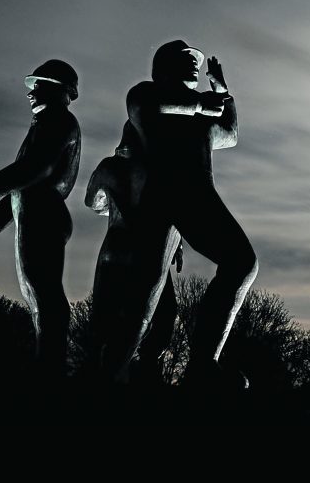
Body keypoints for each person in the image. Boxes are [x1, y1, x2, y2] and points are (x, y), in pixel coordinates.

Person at [124, 40, 258, 389]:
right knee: (148, 297)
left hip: (198, 197)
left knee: (241, 263)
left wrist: (222, 91)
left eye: (195, 61)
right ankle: (130, 364)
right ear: (163, 67)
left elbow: (229, 134)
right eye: (185, 59)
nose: (194, 64)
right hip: (167, 196)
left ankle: (202, 362)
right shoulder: (149, 97)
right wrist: (201, 102)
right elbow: (143, 105)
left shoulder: (200, 119)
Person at [0, 59, 81, 378]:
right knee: (37, 295)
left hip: (44, 215)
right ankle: (46, 361)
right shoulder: (46, 123)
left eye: (40, 85)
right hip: (33, 213)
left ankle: (50, 367)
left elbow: (38, 168)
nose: (31, 92)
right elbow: (26, 180)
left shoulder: (59, 122)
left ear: (62, 91)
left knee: (44, 294)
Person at [85, 121, 182, 384]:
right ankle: (132, 370)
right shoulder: (163, 170)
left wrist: (114, 206)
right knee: (159, 315)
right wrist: (178, 242)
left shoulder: (109, 166)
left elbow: (92, 202)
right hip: (148, 251)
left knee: (103, 316)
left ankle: (99, 374)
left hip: (114, 246)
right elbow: (176, 211)